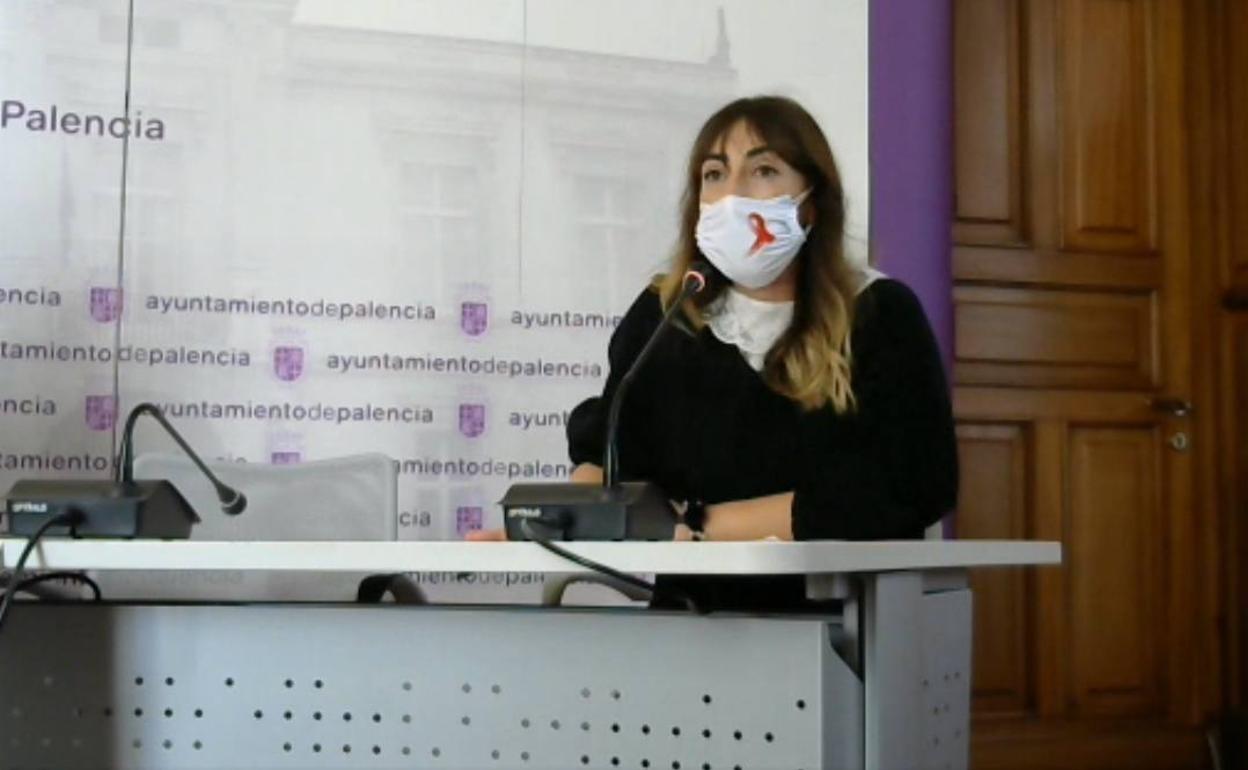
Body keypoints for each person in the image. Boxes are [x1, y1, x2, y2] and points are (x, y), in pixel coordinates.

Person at [474, 95, 958, 611]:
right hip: (689, 619)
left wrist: (699, 524)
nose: (733, 197)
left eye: (763, 170)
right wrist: (568, 523)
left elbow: (910, 484)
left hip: (840, 620)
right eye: (714, 175)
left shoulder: (879, 313)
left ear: (812, 204)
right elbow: (613, 453)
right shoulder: (666, 312)